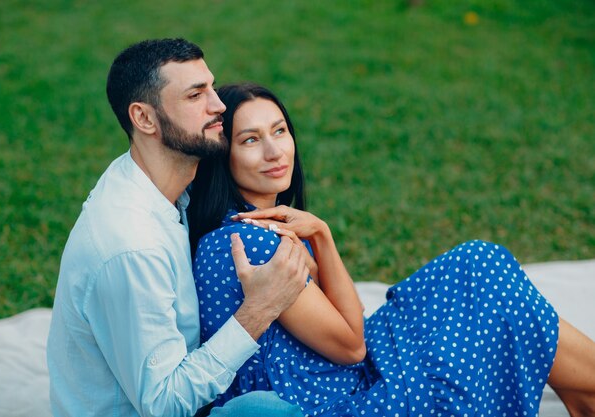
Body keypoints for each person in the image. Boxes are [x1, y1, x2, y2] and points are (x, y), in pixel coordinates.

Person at [187, 82, 595, 417]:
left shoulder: (255, 228)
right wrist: (324, 240)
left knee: (478, 265)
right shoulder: (251, 240)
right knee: (488, 290)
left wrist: (319, 238)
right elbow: (352, 346)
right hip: (331, 400)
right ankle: (586, 397)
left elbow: (350, 324)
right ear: (224, 157)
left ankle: (583, 398)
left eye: (279, 131)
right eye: (250, 140)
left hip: (334, 371)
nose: (275, 151)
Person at [46, 39, 307, 417]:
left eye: (211, 87)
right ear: (145, 119)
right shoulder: (131, 245)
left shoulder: (155, 183)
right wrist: (261, 308)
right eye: (195, 95)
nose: (218, 106)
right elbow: (165, 405)